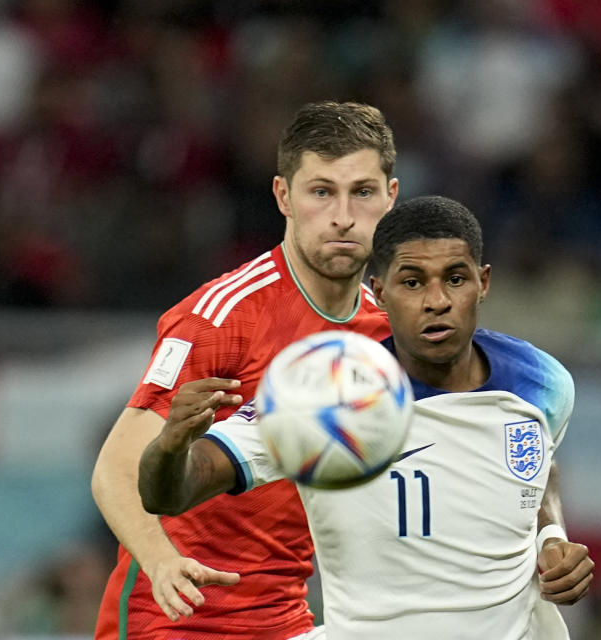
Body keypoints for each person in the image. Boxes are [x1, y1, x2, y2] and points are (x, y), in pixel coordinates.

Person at [138, 195, 595, 639]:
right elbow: (170, 493)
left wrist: (551, 537)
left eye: (455, 279)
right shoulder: (323, 397)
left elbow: (533, 466)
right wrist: (172, 444)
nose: (436, 300)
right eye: (413, 282)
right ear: (379, 291)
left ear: (484, 282)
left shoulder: (542, 383)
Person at [91, 101, 399, 639]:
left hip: (286, 619)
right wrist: (162, 561)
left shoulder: (385, 334)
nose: (343, 216)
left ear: (390, 198)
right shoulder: (221, 317)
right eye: (321, 191)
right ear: (283, 195)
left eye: (363, 192)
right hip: (173, 620)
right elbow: (114, 470)